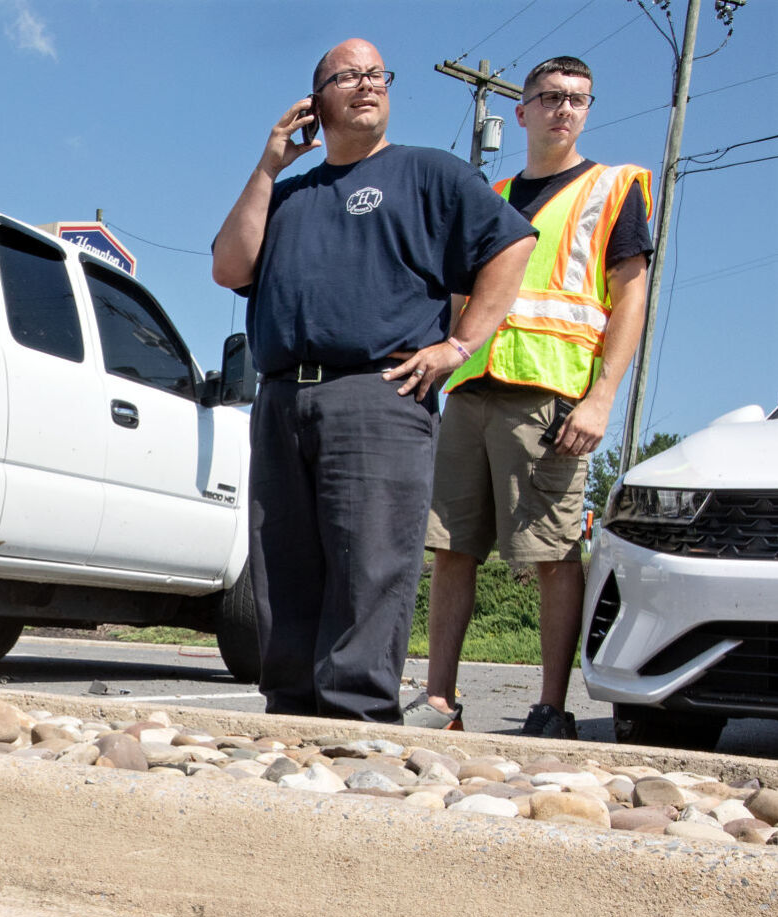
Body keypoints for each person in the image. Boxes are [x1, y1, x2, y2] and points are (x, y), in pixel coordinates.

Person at [211, 38, 536, 723]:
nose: (367, 84)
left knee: (369, 563)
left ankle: (356, 718)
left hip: (378, 393)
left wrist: (461, 344)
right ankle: (292, 712)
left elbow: (513, 244)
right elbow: (229, 266)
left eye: (376, 74)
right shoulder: (289, 195)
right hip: (281, 396)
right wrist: (269, 166)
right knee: (283, 566)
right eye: (346, 76)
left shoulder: (429, 174)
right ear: (313, 103)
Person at [410, 56, 652, 736]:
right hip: (474, 390)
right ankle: (439, 701)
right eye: (548, 97)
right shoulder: (493, 191)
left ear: (588, 108)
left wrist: (603, 396)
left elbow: (629, 297)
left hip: (553, 399)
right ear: (520, 112)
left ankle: (551, 708)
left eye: (577, 98)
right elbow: (461, 293)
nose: (563, 109)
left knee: (549, 553)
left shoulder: (611, 188)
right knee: (451, 547)